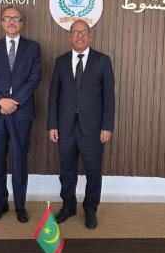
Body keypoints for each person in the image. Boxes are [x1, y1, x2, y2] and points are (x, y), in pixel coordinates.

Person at [47, 20, 115, 229]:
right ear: (69, 36)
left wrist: (107, 126)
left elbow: (109, 97)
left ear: (90, 36)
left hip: (93, 129)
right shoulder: (60, 61)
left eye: (84, 32)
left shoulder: (103, 61)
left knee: (93, 170)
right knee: (67, 170)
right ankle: (68, 207)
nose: (79, 36)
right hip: (65, 127)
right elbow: (54, 95)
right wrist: (52, 125)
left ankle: (90, 209)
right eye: (75, 32)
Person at [0, 7, 41, 224]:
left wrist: (14, 102)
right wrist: (1, 100)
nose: (11, 22)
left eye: (15, 18)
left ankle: (20, 206)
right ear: (1, 23)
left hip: (21, 112)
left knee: (19, 160)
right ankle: (0, 205)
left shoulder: (33, 48)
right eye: (7, 18)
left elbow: (35, 78)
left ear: (21, 23)